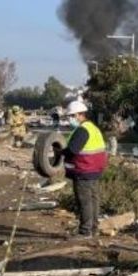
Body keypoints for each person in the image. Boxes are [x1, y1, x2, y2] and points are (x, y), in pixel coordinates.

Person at [55, 101, 108, 236]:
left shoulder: (82, 130)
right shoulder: (94, 128)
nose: (70, 118)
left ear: (80, 115)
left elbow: (72, 150)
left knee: (84, 202)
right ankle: (94, 228)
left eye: (72, 115)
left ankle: (85, 232)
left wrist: (60, 152)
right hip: (95, 170)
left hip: (84, 170)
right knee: (94, 200)